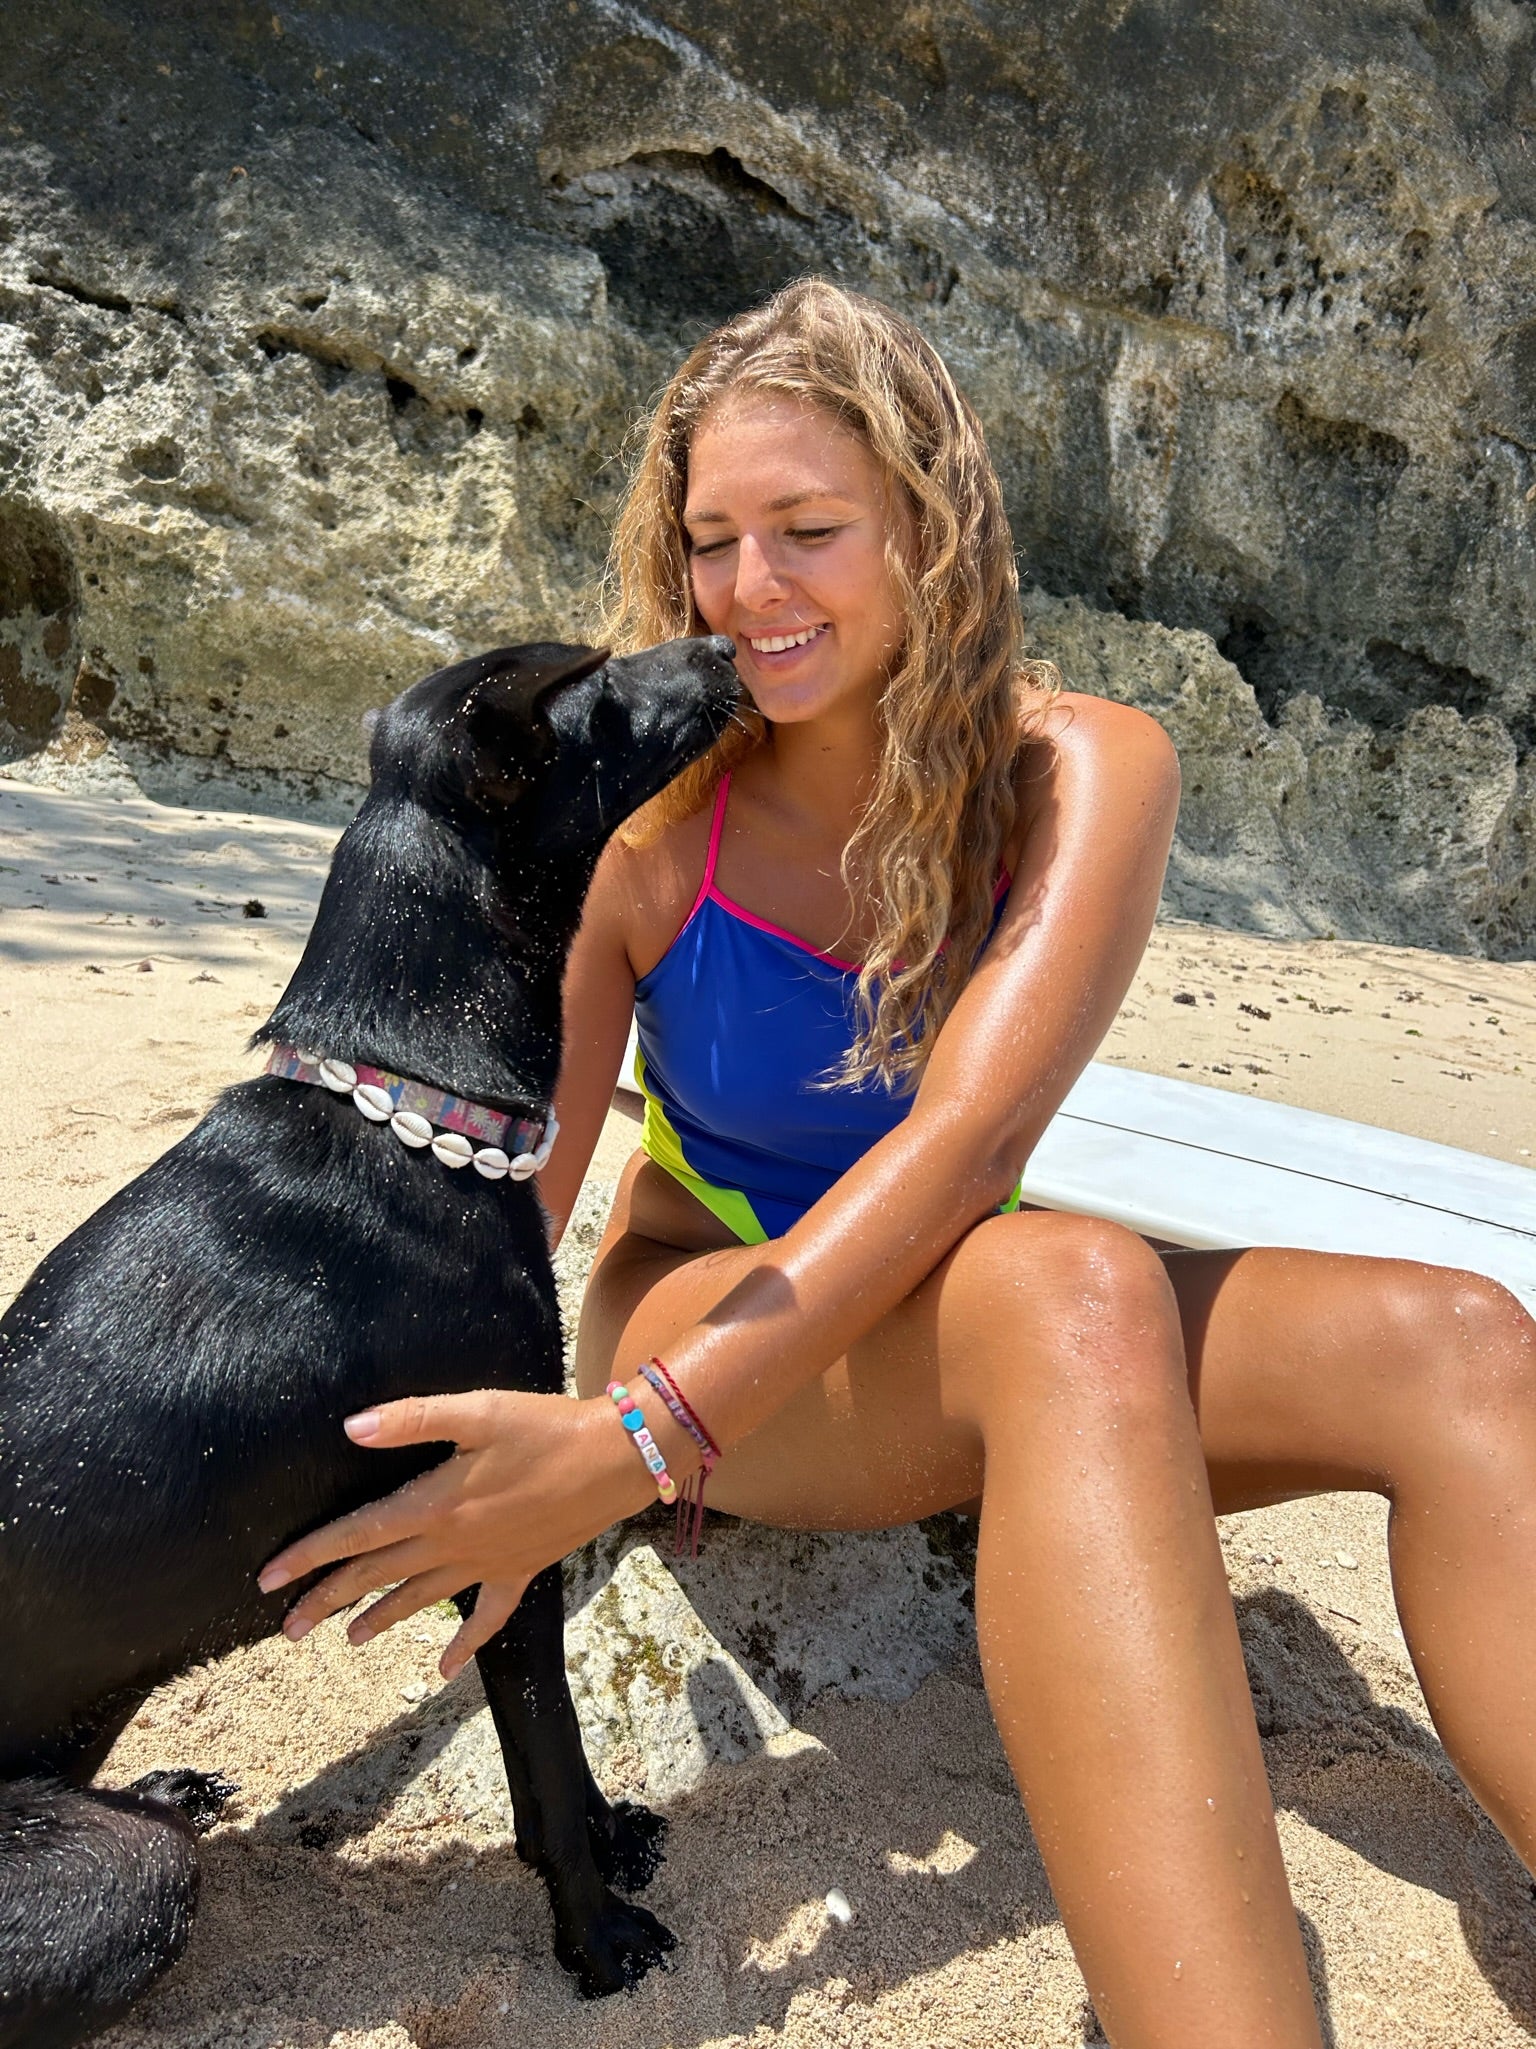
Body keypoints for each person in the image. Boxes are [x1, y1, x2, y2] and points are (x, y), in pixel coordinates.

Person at [260, 279, 1536, 2048]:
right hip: (698, 1324)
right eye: (713, 539)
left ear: (929, 527)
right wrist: (570, 1441)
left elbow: (970, 1145)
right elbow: (505, 1197)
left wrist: (632, 1447)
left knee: (1461, 1339)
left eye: (809, 529)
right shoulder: (645, 829)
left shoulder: (1077, 770)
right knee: (1068, 1281)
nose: (749, 587)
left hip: (980, 1320)